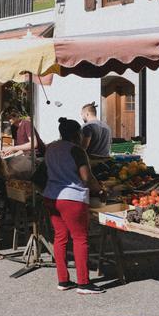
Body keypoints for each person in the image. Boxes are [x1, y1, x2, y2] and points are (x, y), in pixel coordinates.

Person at [43, 117, 108, 294]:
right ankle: (83, 283)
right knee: (80, 239)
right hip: (72, 198)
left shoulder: (51, 148)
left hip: (52, 196)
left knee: (60, 238)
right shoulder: (77, 151)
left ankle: (63, 280)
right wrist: (100, 190)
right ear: (76, 134)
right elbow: (87, 178)